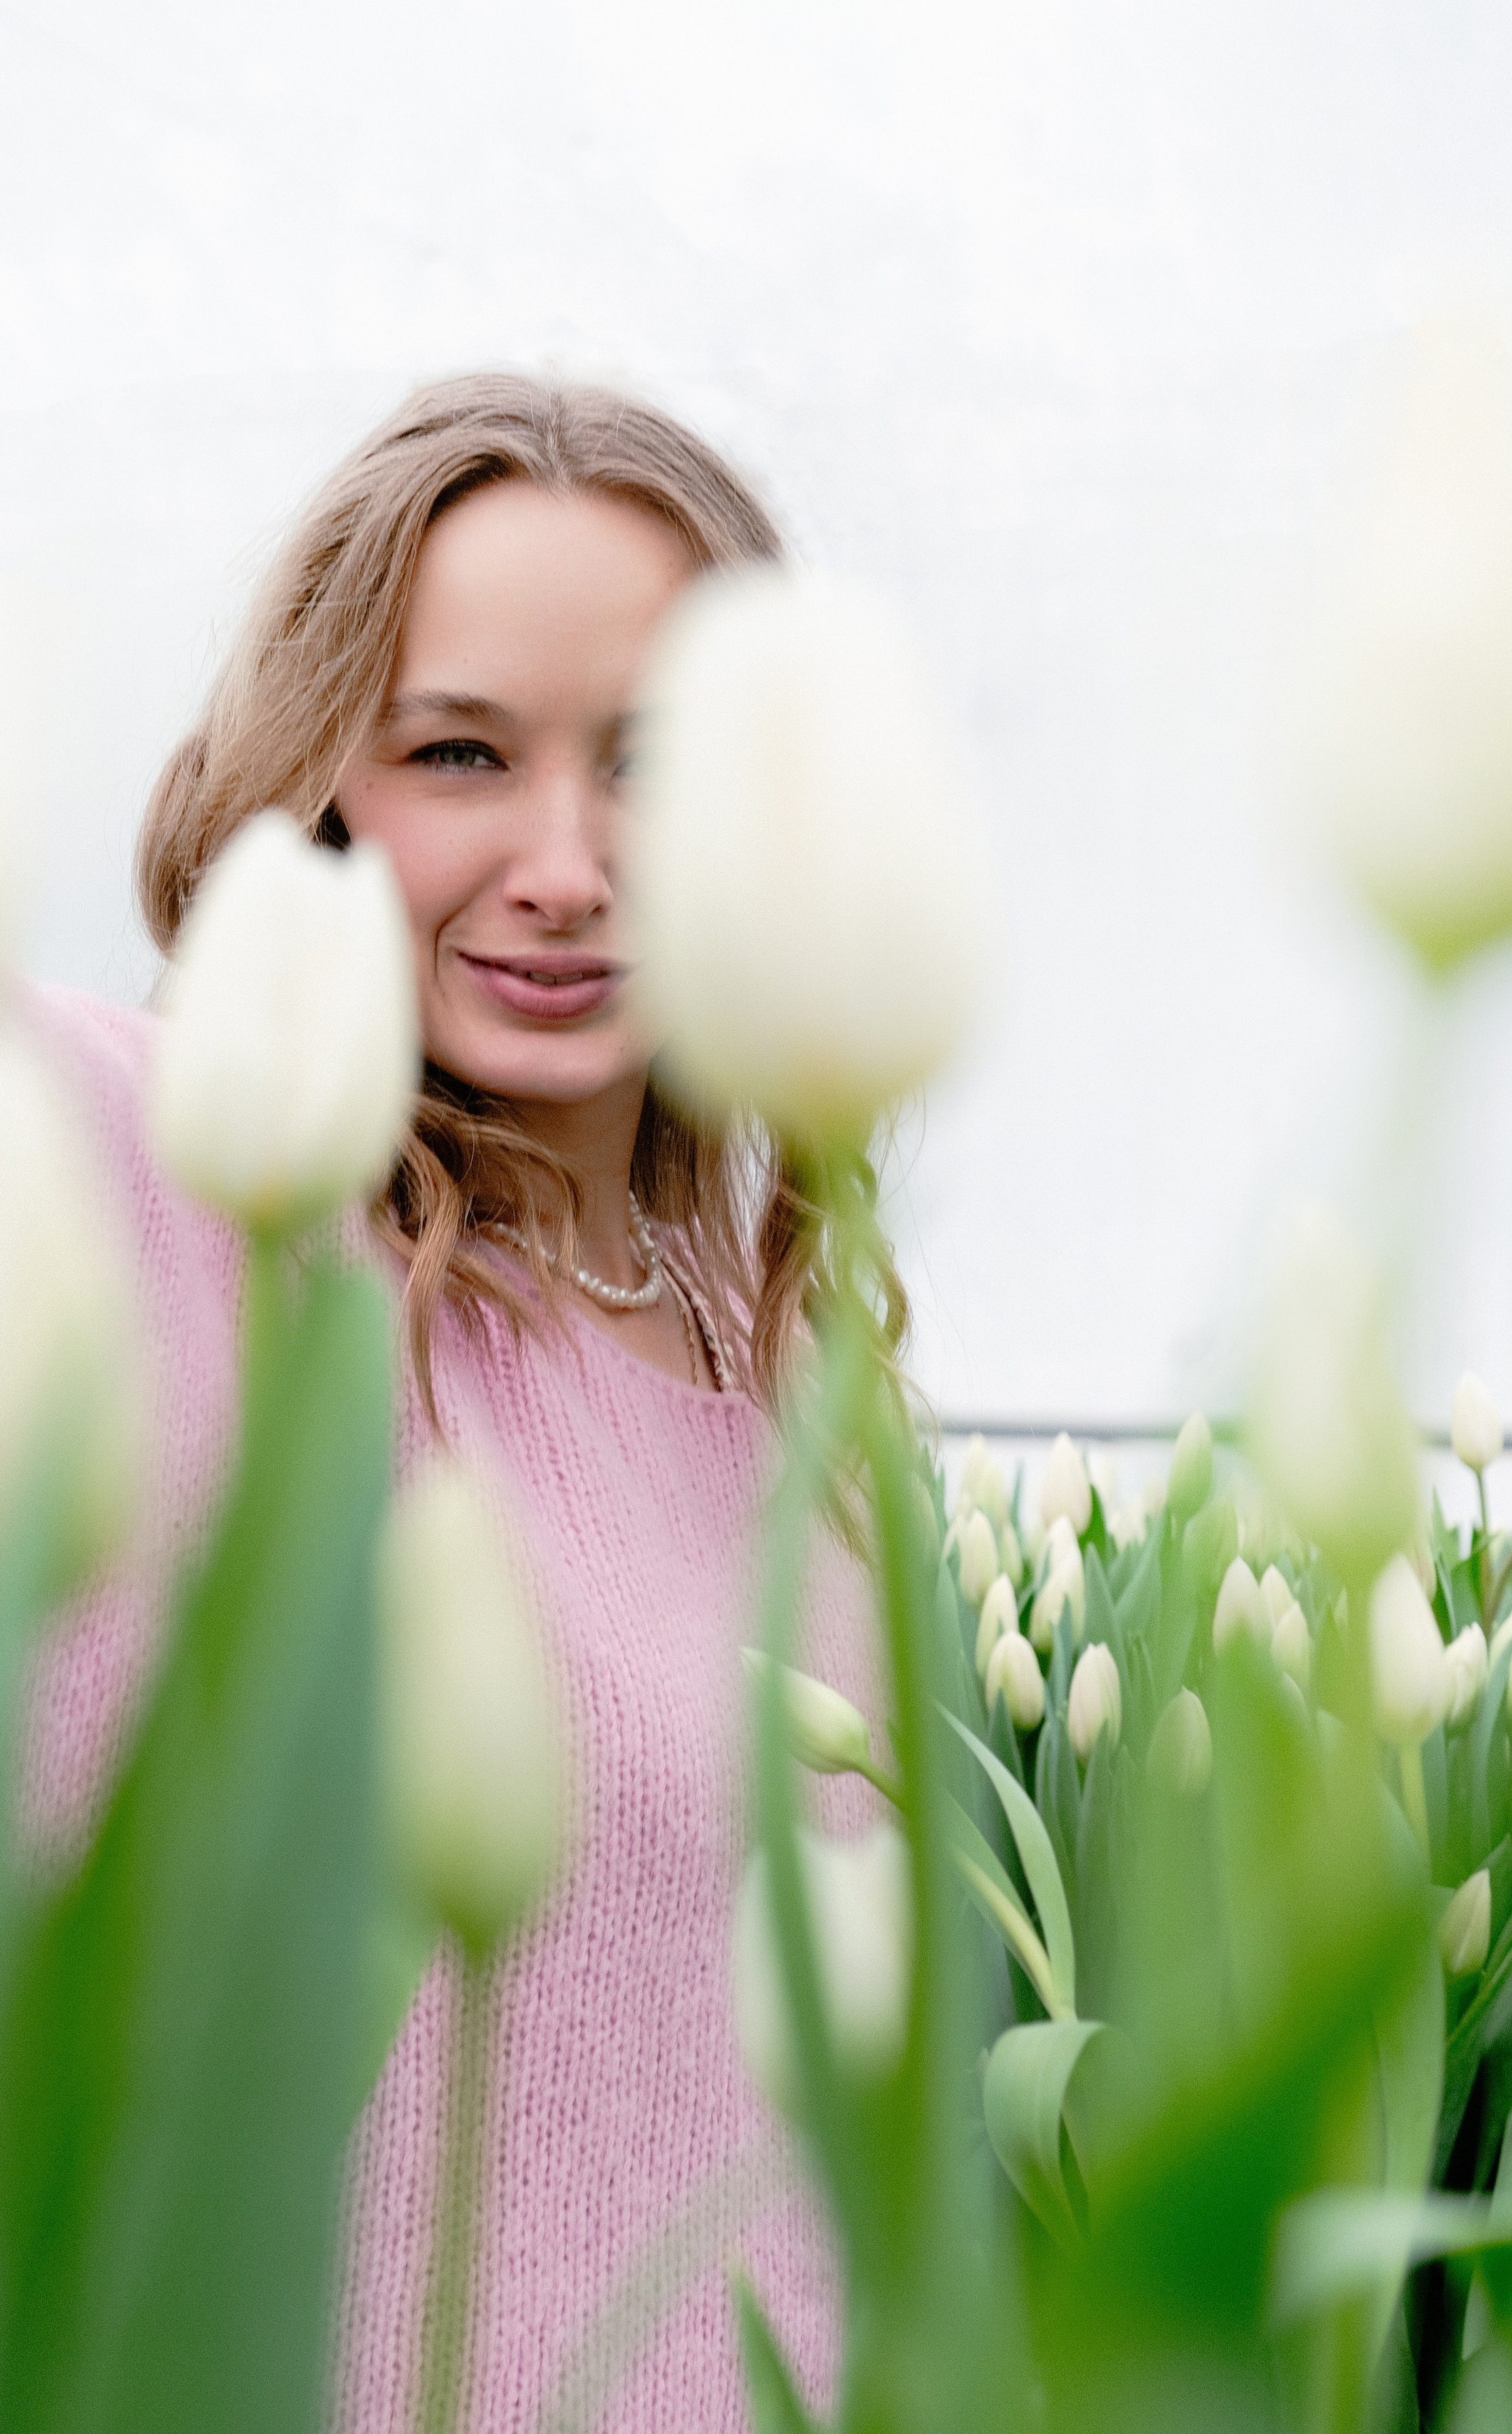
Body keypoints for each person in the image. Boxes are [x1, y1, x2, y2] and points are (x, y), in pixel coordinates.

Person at [20, 372, 899, 2433]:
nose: (571, 865)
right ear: (318, 783)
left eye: (657, 768)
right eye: (462, 754)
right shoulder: (217, 1210)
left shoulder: (808, 1406)